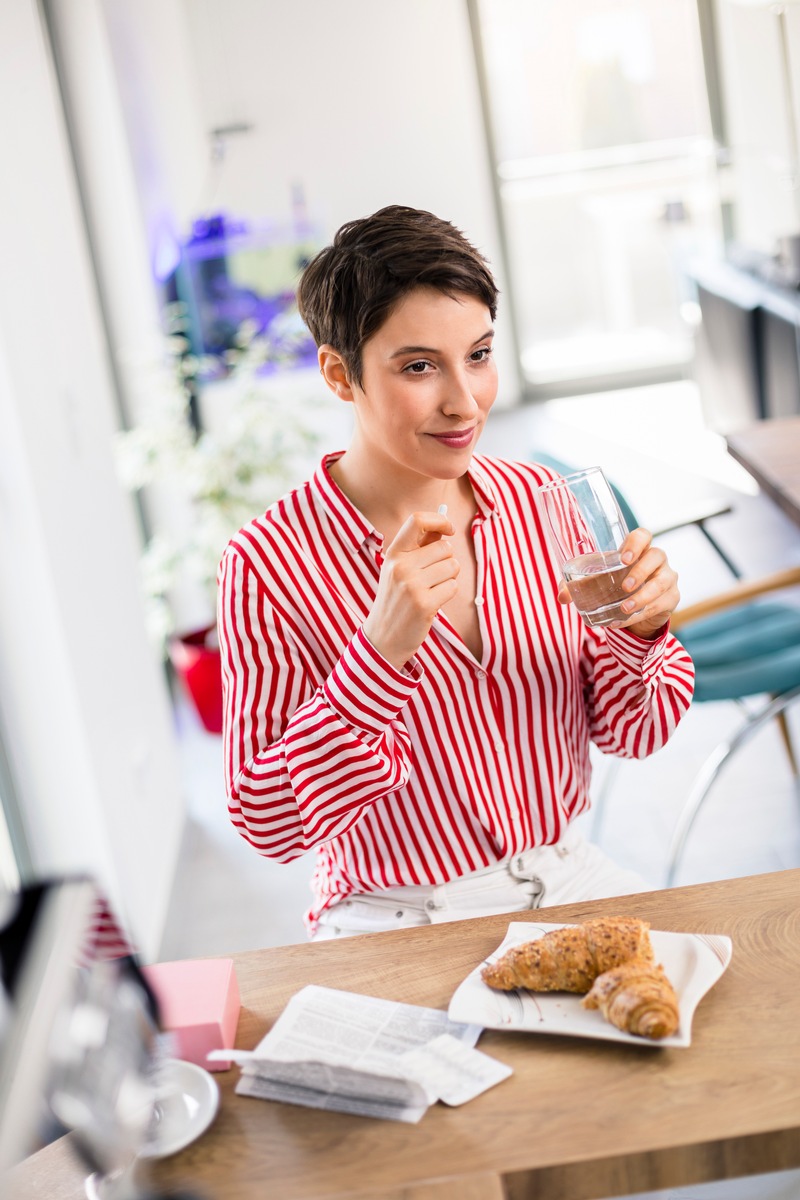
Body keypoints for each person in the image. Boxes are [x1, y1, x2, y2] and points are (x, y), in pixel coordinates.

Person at [216, 204, 694, 940]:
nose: (464, 401)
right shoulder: (269, 561)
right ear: (341, 375)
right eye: (418, 367)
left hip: (566, 875)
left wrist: (645, 632)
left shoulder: (540, 504)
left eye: (478, 354)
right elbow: (266, 822)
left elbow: (636, 731)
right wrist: (379, 657)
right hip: (392, 914)